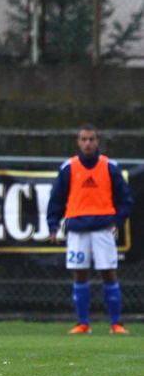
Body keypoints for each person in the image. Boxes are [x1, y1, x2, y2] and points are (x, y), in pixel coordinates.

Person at [45, 124, 133, 335]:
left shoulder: (109, 166)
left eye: (91, 139)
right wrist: (53, 225)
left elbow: (125, 198)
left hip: (103, 229)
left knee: (109, 273)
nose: (87, 143)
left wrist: (117, 219)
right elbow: (57, 199)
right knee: (80, 274)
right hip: (77, 228)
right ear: (78, 141)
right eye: (84, 139)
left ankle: (116, 323)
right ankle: (83, 323)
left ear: (97, 141)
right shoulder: (69, 167)